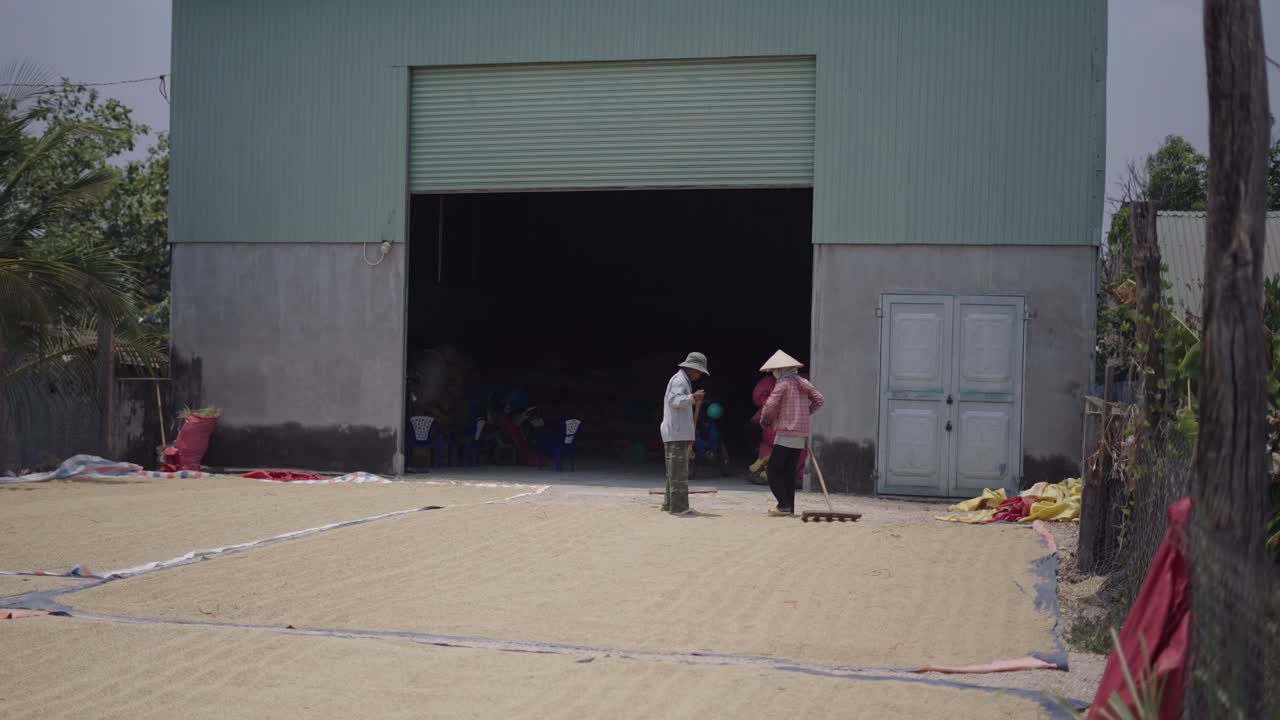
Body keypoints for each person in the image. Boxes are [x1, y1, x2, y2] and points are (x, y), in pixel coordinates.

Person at [759, 350, 824, 517]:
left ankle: (783, 505)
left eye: (775, 370)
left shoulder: (783, 384)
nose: (774, 374)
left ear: (781, 369)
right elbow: (819, 400)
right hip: (800, 434)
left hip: (786, 432)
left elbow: (771, 405)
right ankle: (789, 507)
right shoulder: (803, 382)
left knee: (773, 470)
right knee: (789, 471)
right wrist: (805, 413)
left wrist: (765, 421)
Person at [660, 352, 708, 514]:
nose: (700, 375)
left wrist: (692, 397)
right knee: (679, 472)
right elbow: (675, 401)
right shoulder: (680, 380)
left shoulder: (680, 380)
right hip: (676, 432)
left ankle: (669, 504)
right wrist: (693, 397)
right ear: (693, 369)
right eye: (699, 371)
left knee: (674, 471)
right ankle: (679, 507)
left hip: (676, 431)